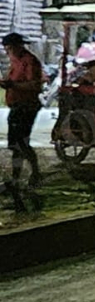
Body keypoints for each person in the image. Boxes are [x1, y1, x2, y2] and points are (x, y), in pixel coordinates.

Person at [2, 33, 44, 192]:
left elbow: (34, 85)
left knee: (21, 143)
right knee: (16, 144)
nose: (7, 51)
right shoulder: (16, 61)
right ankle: (16, 178)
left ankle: (34, 173)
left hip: (27, 106)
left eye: (9, 48)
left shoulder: (29, 61)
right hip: (17, 105)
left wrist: (13, 85)